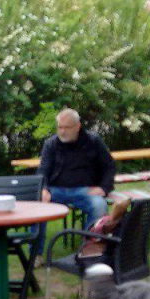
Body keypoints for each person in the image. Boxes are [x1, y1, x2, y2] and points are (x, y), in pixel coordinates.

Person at [33, 107, 116, 261]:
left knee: (99, 206)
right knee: (38, 203)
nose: (62, 131)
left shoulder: (93, 141)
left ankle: (88, 251)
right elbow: (43, 170)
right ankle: (35, 255)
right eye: (60, 127)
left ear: (78, 126)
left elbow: (109, 166)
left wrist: (104, 188)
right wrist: (43, 189)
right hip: (55, 190)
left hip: (85, 190)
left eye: (67, 127)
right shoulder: (51, 144)